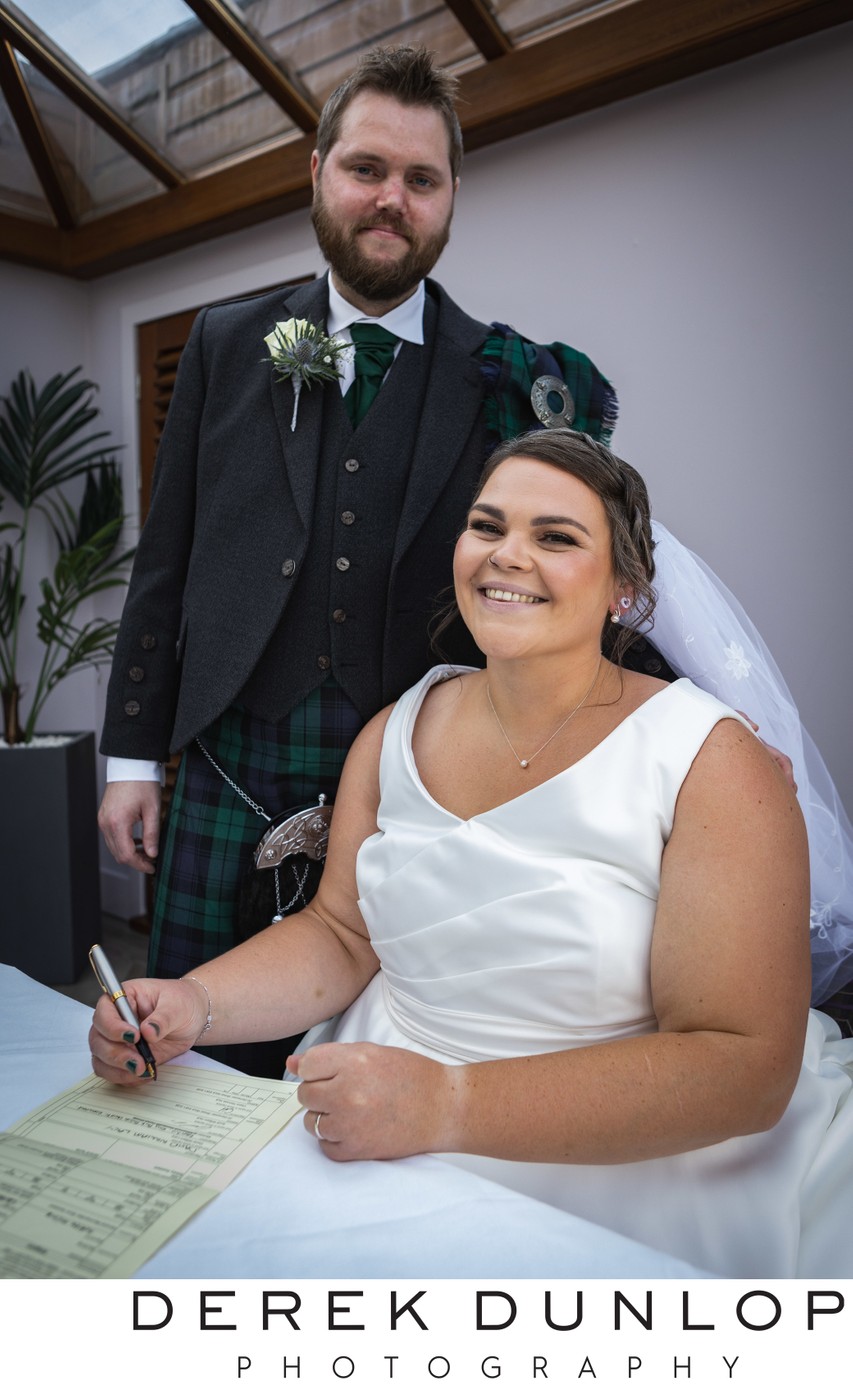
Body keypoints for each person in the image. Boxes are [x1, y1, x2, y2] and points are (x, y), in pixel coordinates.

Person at [90, 429, 853, 1279]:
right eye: (487, 527)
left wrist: (445, 1105)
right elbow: (342, 933)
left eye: (556, 537)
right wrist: (194, 1002)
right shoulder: (397, 727)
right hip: (369, 1111)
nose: (507, 556)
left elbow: (740, 1066)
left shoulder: (712, 763)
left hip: (642, 1168)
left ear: (625, 591)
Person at [96, 46, 623, 1078]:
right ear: (317, 173)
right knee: (187, 1059)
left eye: (420, 180)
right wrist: (127, 756)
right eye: (367, 169)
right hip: (224, 759)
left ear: (451, 197)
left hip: (417, 776)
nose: (391, 199)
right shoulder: (222, 342)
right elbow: (166, 560)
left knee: (370, 1071)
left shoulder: (504, 376)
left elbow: (562, 570)